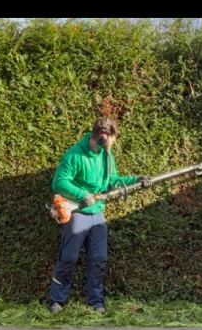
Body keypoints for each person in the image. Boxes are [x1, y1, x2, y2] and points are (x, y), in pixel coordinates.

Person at [49, 117, 152, 314]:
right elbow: (59, 182)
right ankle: (57, 301)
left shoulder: (107, 156)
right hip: (77, 213)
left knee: (98, 259)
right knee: (68, 258)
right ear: (103, 138)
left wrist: (136, 181)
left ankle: (96, 302)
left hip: (97, 213)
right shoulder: (74, 155)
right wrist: (83, 195)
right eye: (113, 138)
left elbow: (112, 180)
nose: (114, 142)